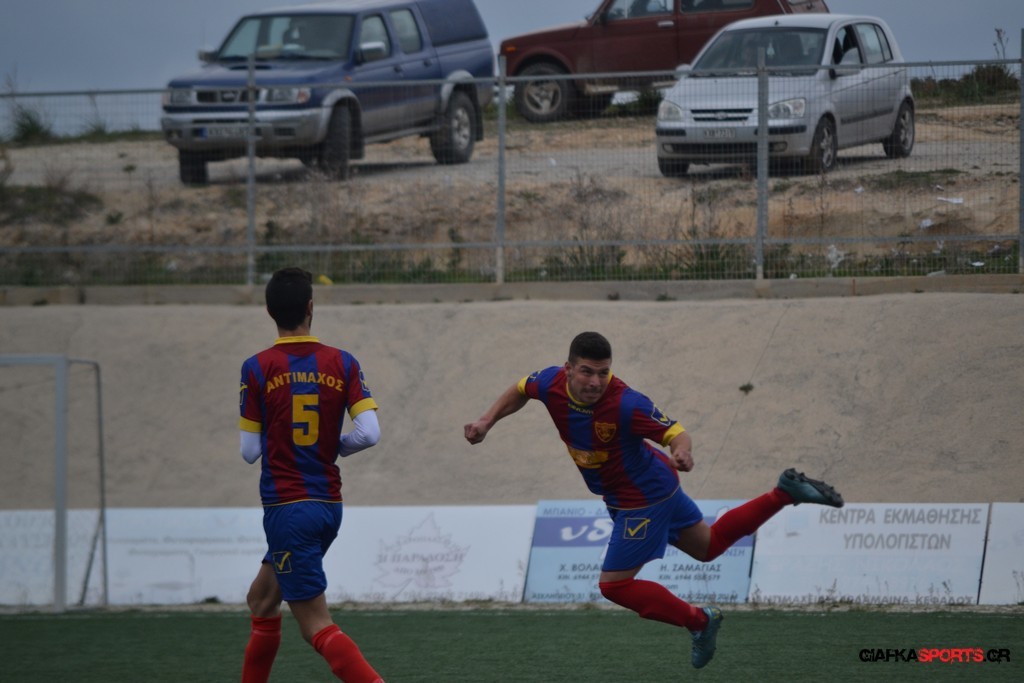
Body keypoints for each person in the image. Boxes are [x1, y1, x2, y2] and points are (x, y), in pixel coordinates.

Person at [464, 331, 843, 670]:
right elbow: (520, 389)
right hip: (650, 486)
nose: (596, 381)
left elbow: (676, 432)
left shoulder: (627, 403)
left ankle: (700, 621)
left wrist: (683, 451)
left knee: (614, 586)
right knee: (708, 547)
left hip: (641, 499)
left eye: (603, 372)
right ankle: (783, 493)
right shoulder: (549, 382)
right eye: (587, 372)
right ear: (567, 369)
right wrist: (486, 421)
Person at [238, 267, 384, 683]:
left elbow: (249, 452)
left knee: (316, 626)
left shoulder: (257, 367)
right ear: (310, 307)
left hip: (288, 508)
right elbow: (369, 433)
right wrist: (334, 446)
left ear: (269, 311)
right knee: (261, 600)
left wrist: (281, 438)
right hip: (327, 505)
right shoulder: (343, 361)